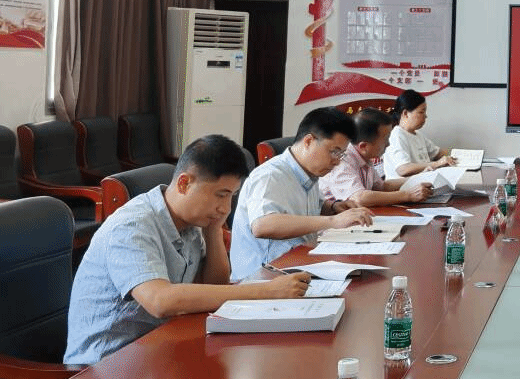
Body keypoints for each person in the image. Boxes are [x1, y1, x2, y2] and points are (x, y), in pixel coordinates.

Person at [64, 135, 311, 365]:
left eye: (231, 197)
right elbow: (160, 301)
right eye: (221, 195)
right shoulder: (132, 226)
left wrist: (213, 231)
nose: (226, 208)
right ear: (184, 183)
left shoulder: (191, 221)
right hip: (105, 365)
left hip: (159, 347)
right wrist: (266, 291)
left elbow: (215, 286)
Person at [229, 107, 374, 280]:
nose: (337, 161)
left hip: (297, 268)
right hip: (262, 279)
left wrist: (334, 207)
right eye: (334, 152)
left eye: (341, 154)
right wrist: (333, 221)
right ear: (308, 141)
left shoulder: (309, 172)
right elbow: (262, 225)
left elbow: (310, 207)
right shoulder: (270, 176)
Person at [320, 108, 435, 208]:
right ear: (364, 146)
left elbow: (381, 186)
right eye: (386, 139)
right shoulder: (342, 160)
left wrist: (418, 178)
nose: (388, 144)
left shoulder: (364, 156)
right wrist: (408, 195)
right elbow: (359, 198)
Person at [383, 89, 456, 178]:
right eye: (421, 112)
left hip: (422, 183)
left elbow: (438, 153)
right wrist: (436, 164)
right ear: (405, 113)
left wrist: (462, 154)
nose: (425, 116)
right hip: (405, 186)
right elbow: (403, 169)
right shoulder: (396, 135)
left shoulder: (418, 135)